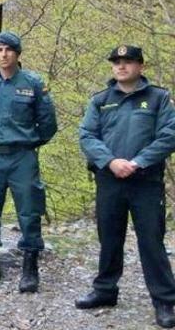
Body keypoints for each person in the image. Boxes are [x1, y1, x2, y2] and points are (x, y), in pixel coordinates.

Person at [76, 45, 175, 328]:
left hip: (145, 181)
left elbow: (169, 135)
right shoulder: (100, 100)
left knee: (151, 240)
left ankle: (165, 300)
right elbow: (87, 136)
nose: (121, 66)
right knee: (109, 237)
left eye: (128, 62)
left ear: (140, 66)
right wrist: (110, 161)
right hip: (110, 179)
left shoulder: (159, 98)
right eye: (116, 62)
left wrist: (139, 161)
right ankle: (105, 291)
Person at [0, 32, 57, 293]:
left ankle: (30, 269)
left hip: (22, 156)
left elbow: (48, 123)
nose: (3, 54)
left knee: (30, 211)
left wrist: (28, 143)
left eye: (9, 50)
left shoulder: (33, 83)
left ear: (17, 54)